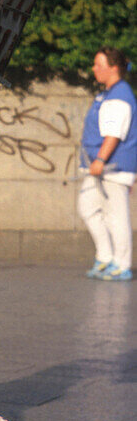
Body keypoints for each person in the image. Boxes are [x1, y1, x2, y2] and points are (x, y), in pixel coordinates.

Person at [78, 48, 136, 281]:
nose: (94, 69)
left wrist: (100, 159)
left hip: (113, 168)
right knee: (88, 208)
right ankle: (105, 256)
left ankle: (121, 264)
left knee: (116, 216)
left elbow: (114, 134)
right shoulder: (108, 94)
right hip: (100, 168)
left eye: (98, 64)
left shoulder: (119, 96)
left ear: (114, 68)